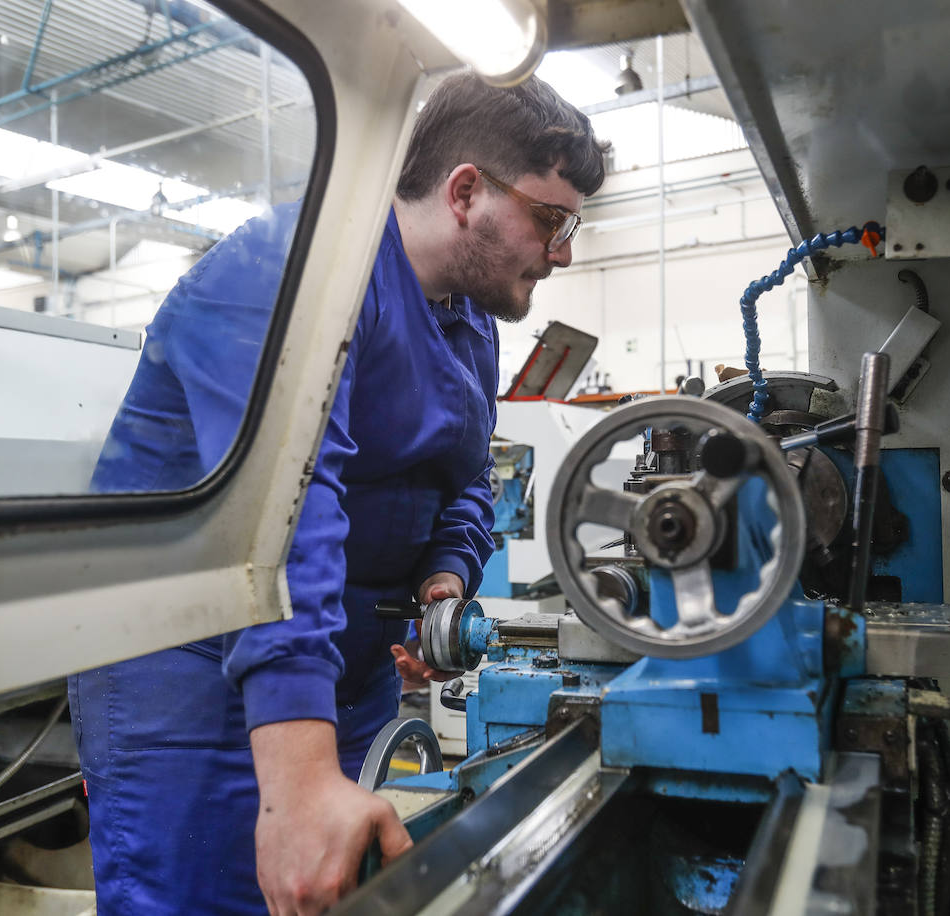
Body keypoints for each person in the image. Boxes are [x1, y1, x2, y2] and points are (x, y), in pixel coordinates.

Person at [68, 72, 607, 915]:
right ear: (466, 191)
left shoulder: (467, 326)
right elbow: (281, 521)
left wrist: (445, 574)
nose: (564, 251)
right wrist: (302, 781)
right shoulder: (289, 275)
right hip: (192, 685)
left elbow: (466, 479)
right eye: (552, 220)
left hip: (346, 680)